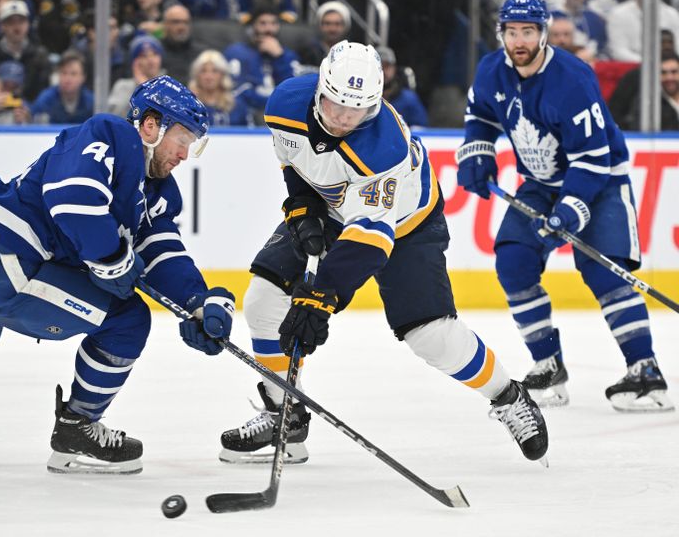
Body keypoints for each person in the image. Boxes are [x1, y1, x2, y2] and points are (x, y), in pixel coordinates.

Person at [0, 75, 237, 473]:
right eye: (183, 139)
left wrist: (198, 302)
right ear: (151, 126)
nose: (185, 155)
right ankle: (76, 428)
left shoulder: (157, 193)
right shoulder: (113, 134)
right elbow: (72, 197)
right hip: (4, 258)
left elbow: (160, 252)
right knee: (126, 318)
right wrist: (112, 258)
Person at [217, 40, 549, 466]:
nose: (341, 119)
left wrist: (321, 297)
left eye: (354, 111)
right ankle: (286, 415)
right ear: (320, 89)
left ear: (373, 106)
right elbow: (293, 160)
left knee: (431, 336)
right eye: (335, 104)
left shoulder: (383, 150)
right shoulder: (284, 103)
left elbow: (370, 241)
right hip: (336, 208)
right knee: (264, 299)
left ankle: (507, 395)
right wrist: (303, 207)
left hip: (406, 225)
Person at [456, 0, 673, 412]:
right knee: (513, 262)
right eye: (512, 31)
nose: (520, 40)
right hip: (539, 182)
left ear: (543, 32)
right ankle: (547, 365)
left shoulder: (573, 80)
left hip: (600, 180)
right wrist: (478, 151)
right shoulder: (491, 69)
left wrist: (572, 208)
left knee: (605, 272)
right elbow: (480, 114)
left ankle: (645, 371)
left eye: (528, 31)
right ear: (501, 32)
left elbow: (593, 158)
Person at [224, 4, 299, 117]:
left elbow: (294, 93)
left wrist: (279, 57)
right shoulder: (236, 52)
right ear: (252, 26)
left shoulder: (288, 55)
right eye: (263, 23)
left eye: (273, 23)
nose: (269, 29)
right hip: (247, 115)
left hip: (281, 115)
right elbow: (236, 92)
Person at [0, 0, 52, 102]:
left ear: (28, 24)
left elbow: (45, 92)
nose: (17, 27)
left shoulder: (40, 55)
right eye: (11, 22)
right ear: (1, 26)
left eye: (21, 21)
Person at [188, 49, 251, 126]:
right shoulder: (189, 106)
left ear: (223, 75)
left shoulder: (237, 105)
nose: (208, 77)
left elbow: (249, 134)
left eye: (214, 71)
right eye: (203, 71)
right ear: (197, 75)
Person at [107, 35, 164, 118]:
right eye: (144, 56)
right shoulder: (122, 86)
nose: (150, 60)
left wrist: (146, 88)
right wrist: (140, 89)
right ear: (135, 62)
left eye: (154, 54)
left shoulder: (170, 85)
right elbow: (114, 116)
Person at [31, 50, 94, 124]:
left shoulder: (91, 102)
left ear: (83, 77)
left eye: (73, 74)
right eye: (64, 73)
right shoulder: (45, 100)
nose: (68, 78)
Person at [377, 46, 428, 127]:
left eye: (387, 66)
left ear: (394, 68)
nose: (383, 71)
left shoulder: (408, 99)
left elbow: (420, 128)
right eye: (380, 67)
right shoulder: (364, 97)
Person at [297, 0, 351, 69]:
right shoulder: (308, 51)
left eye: (337, 24)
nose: (332, 29)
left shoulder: (352, 52)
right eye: (327, 23)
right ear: (320, 25)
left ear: (345, 26)